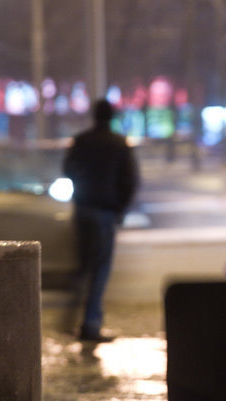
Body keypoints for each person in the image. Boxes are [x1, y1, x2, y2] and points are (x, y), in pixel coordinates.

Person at [63, 98, 139, 343]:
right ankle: (90, 324)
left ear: (94, 116)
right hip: (105, 212)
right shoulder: (119, 143)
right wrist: (120, 209)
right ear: (112, 117)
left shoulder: (81, 140)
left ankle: (69, 319)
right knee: (100, 269)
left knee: (83, 265)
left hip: (83, 209)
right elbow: (131, 180)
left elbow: (68, 170)